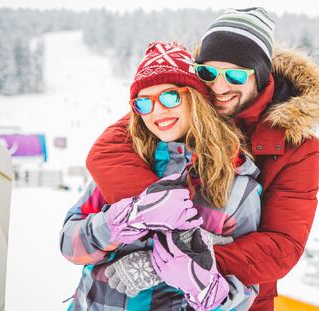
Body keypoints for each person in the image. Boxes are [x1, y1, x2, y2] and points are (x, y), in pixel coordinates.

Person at [85, 7, 319, 311]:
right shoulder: (183, 105)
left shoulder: (296, 143)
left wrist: (178, 258)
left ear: (261, 76)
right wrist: (159, 213)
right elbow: (107, 152)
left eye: (234, 75)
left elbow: (283, 245)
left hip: (237, 297)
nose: (218, 87)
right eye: (207, 73)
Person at [61, 41, 263, 310]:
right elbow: (69, 246)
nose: (157, 111)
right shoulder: (123, 164)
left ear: (196, 98)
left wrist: (200, 284)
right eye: (143, 103)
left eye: (170, 96)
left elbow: (246, 290)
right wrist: (123, 220)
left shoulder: (236, 184)